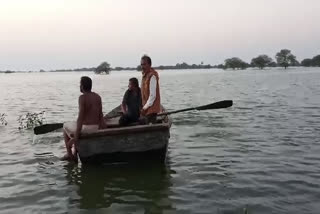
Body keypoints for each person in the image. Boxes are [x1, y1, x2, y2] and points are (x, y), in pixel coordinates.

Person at [62, 76, 107, 162]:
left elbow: (80, 117)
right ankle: (75, 153)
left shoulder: (82, 98)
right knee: (76, 126)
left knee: (65, 126)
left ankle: (69, 154)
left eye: (80, 84)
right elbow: (101, 115)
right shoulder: (97, 96)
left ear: (82, 86)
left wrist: (75, 137)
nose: (79, 86)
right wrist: (104, 130)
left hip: (87, 129)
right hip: (96, 127)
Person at [140, 55, 161, 124]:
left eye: (144, 64)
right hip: (146, 109)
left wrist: (144, 108)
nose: (142, 66)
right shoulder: (145, 76)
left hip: (151, 110)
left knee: (149, 125)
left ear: (149, 65)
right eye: (141, 64)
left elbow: (152, 96)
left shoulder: (152, 76)